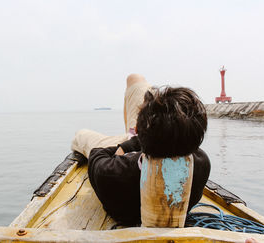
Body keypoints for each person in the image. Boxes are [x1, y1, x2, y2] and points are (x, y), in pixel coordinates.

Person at [71, 74, 211, 226]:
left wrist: (126, 145)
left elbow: (97, 154)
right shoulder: (202, 162)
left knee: (81, 135)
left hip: (133, 143)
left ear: (137, 128)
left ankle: (135, 131)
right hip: (157, 137)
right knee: (135, 79)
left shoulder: (111, 173)